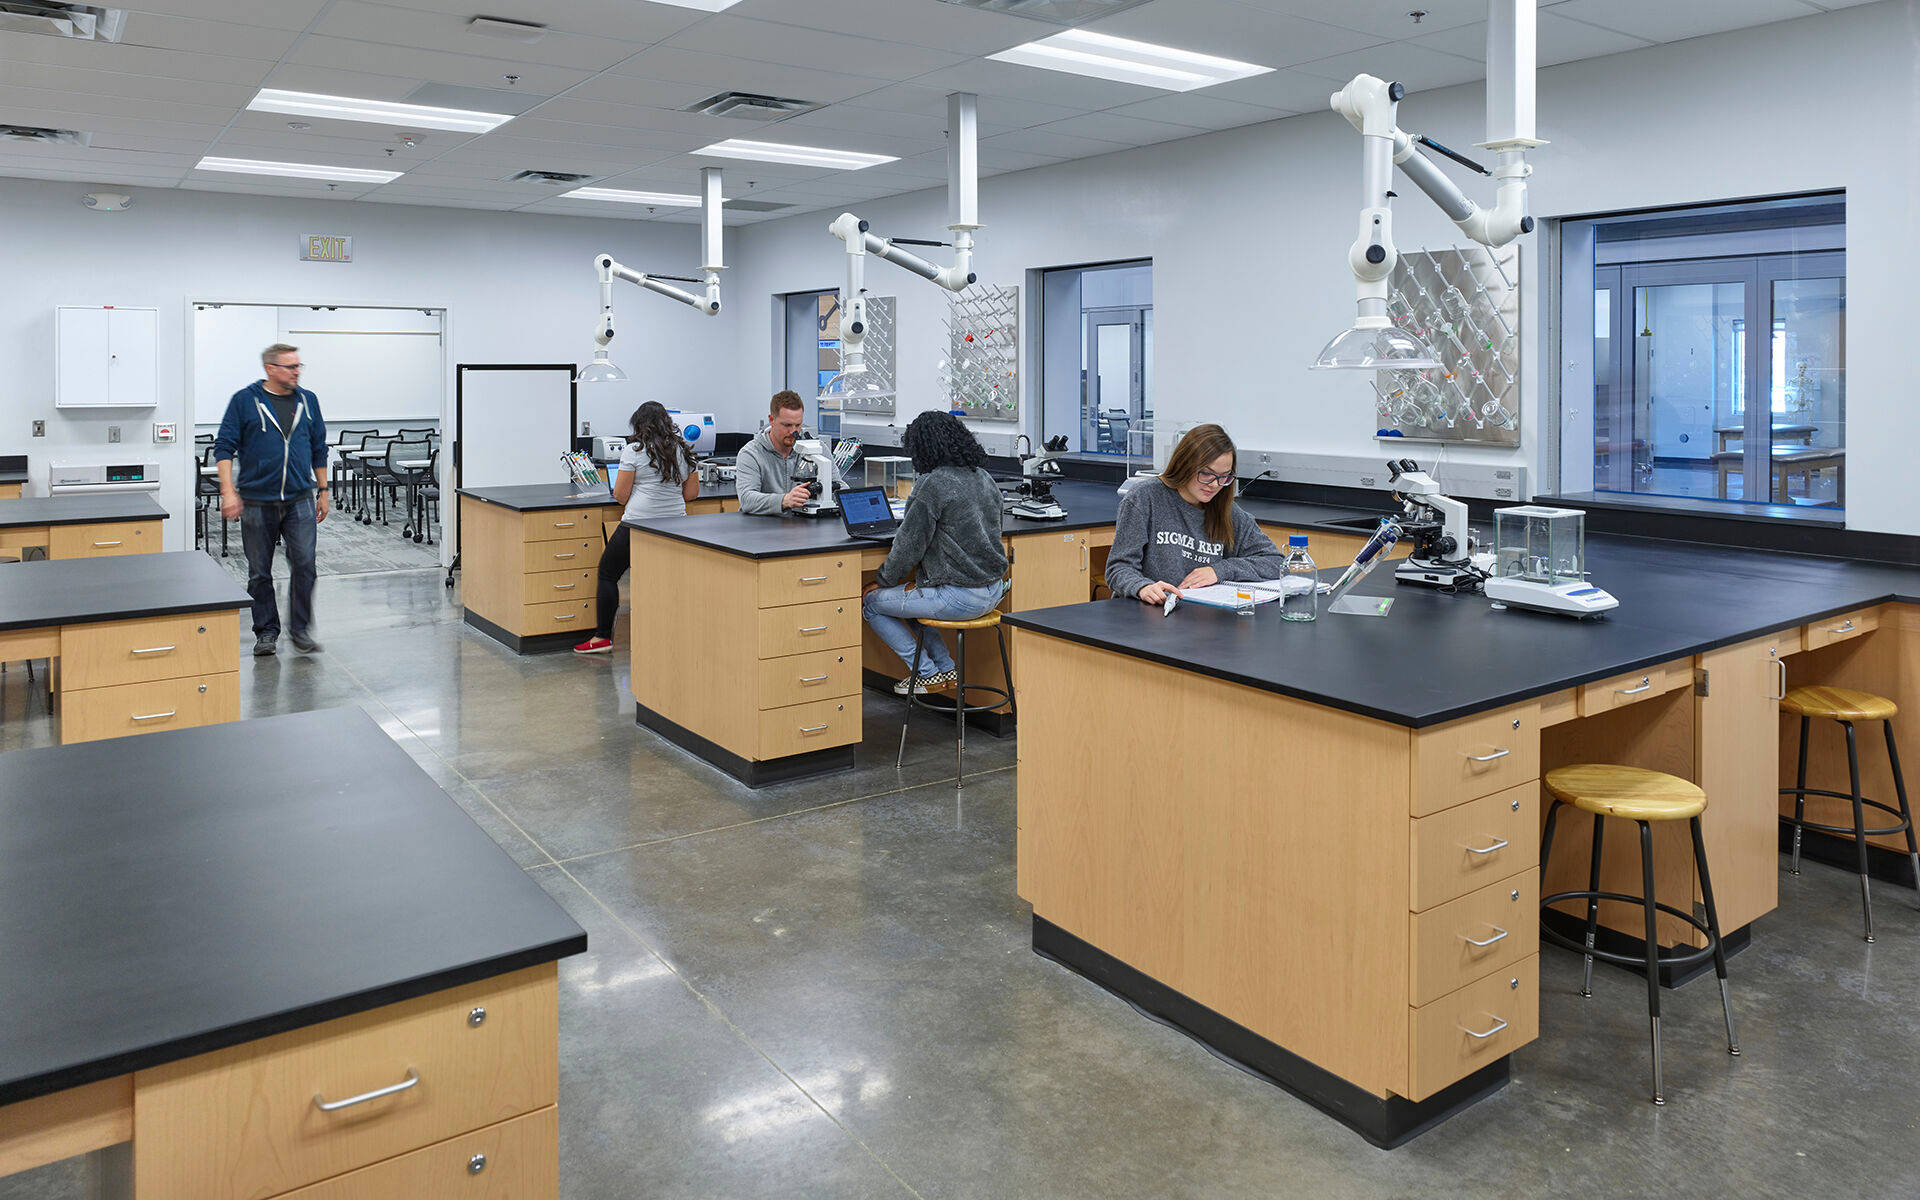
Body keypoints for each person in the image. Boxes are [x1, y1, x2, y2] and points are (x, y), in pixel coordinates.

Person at [862, 411, 1009, 694]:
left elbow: (907, 548)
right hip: (992, 591)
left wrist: (881, 581)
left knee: (872, 603)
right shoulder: (984, 477)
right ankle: (945, 669)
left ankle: (925, 673)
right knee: (911, 593)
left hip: (960, 597)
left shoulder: (933, 484)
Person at [215, 342, 329, 656]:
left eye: (298, 366)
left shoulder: (308, 401)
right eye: (290, 367)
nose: (296, 372)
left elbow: (319, 447)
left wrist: (323, 490)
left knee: (305, 564)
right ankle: (266, 632)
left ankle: (301, 629)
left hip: (299, 499)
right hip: (256, 501)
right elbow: (224, 448)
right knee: (259, 572)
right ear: (271, 369)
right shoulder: (244, 401)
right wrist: (228, 491)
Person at [1105, 423, 1285, 605]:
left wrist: (1219, 570)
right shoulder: (1144, 498)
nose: (1215, 484)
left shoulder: (1228, 512)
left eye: (1224, 476)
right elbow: (1118, 568)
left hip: (1200, 617)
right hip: (1146, 614)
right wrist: (1142, 587)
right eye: (1207, 474)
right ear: (1184, 465)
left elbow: (1276, 562)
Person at [574, 402, 699, 655]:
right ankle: (670, 632)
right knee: (666, 580)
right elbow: (691, 494)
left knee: (608, 573)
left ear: (639, 425)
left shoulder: (634, 450)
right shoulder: (684, 451)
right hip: (676, 526)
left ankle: (602, 637)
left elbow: (620, 495)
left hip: (639, 524)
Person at [734, 390, 811, 516]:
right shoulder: (751, 454)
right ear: (771, 420)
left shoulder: (815, 449)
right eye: (787, 425)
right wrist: (784, 500)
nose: (793, 431)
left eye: (798, 425)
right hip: (763, 530)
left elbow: (841, 488)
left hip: (803, 527)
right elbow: (747, 500)